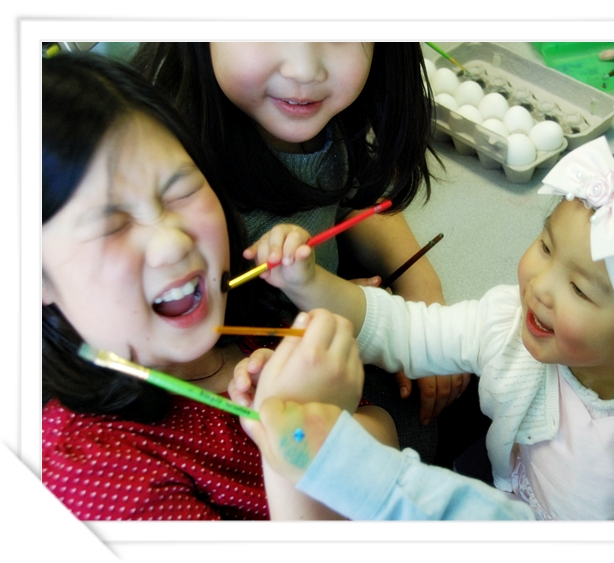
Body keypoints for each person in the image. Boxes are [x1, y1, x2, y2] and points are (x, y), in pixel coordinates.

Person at [232, 137, 614, 520]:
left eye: (580, 289)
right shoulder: (509, 325)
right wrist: (306, 281)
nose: (539, 286)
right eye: (546, 246)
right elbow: (400, 327)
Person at [41, 52, 396, 521]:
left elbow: (385, 436)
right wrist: (304, 441)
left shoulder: (246, 320)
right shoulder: (86, 470)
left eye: (181, 191)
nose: (172, 243)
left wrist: (322, 414)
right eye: (112, 225)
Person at [130, 43, 481, 464]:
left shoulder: (329, 120)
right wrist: (329, 307)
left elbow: (352, 200)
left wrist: (420, 292)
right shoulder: (165, 160)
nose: (303, 69)